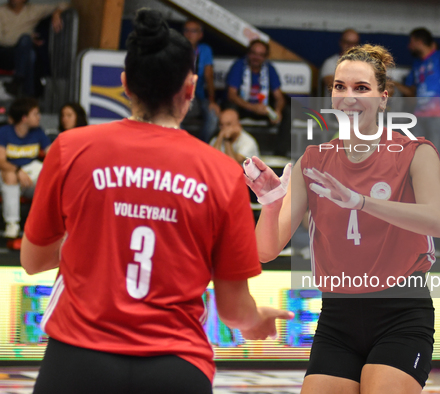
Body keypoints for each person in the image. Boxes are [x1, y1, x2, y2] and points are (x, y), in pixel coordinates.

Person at [21, 9, 292, 394]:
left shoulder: (70, 148)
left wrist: (100, 233)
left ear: (125, 84)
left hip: (77, 358)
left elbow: (33, 261)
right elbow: (233, 309)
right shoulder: (219, 170)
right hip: (175, 366)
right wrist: (256, 322)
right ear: (190, 88)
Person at [245, 44, 440, 394]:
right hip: (338, 316)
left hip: (401, 312)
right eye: (340, 87)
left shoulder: (416, 153)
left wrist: (360, 201)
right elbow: (265, 251)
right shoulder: (313, 160)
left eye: (361, 88)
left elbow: (436, 221)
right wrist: (270, 200)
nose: (348, 97)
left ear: (383, 99)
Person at [226, 39, 289, 156]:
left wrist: (278, 111)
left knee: (287, 111)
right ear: (248, 53)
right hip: (244, 107)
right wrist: (252, 107)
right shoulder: (239, 65)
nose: (256, 57)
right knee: (230, 109)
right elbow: (232, 94)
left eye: (261, 55)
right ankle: (229, 151)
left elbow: (279, 97)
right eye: (254, 53)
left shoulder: (269, 68)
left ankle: (280, 155)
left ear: (265, 57)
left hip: (263, 109)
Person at [0, 97, 50, 238]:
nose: (39, 117)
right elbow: (1, 161)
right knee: (9, 175)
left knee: (49, 180)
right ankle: (12, 224)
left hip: (29, 178)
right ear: (24, 118)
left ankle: (44, 227)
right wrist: (18, 171)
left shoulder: (38, 132)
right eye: (35, 113)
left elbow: (52, 154)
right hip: (8, 175)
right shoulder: (4, 132)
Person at [0, 0, 68, 97]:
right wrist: (25, 38)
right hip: (5, 52)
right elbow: (3, 40)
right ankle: (29, 95)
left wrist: (57, 13)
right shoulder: (1, 11)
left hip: (24, 52)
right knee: (26, 42)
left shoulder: (33, 10)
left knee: (30, 54)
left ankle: (19, 83)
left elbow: (65, 3)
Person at [181, 18, 219, 142]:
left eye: (193, 31)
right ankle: (182, 144)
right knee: (171, 117)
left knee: (213, 116)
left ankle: (202, 144)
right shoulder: (176, 48)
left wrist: (212, 100)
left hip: (199, 96)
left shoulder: (205, 50)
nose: (189, 34)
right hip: (179, 96)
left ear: (200, 35)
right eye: (186, 30)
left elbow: (209, 77)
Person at [320, 29, 360, 95]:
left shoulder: (365, 64)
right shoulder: (330, 63)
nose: (350, 46)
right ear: (341, 42)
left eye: (353, 43)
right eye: (347, 42)